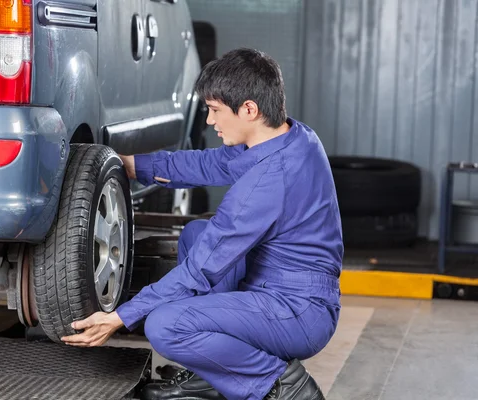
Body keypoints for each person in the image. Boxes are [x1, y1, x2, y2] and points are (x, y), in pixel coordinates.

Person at [60, 48, 343, 400]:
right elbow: (209, 164)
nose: (209, 121)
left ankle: (281, 385)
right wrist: (133, 165)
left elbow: (199, 271)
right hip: (287, 289)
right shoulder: (292, 137)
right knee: (197, 233)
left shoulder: (267, 182)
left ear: (249, 109)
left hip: (297, 312)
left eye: (214, 110)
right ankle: (216, 374)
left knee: (165, 326)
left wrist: (121, 316)